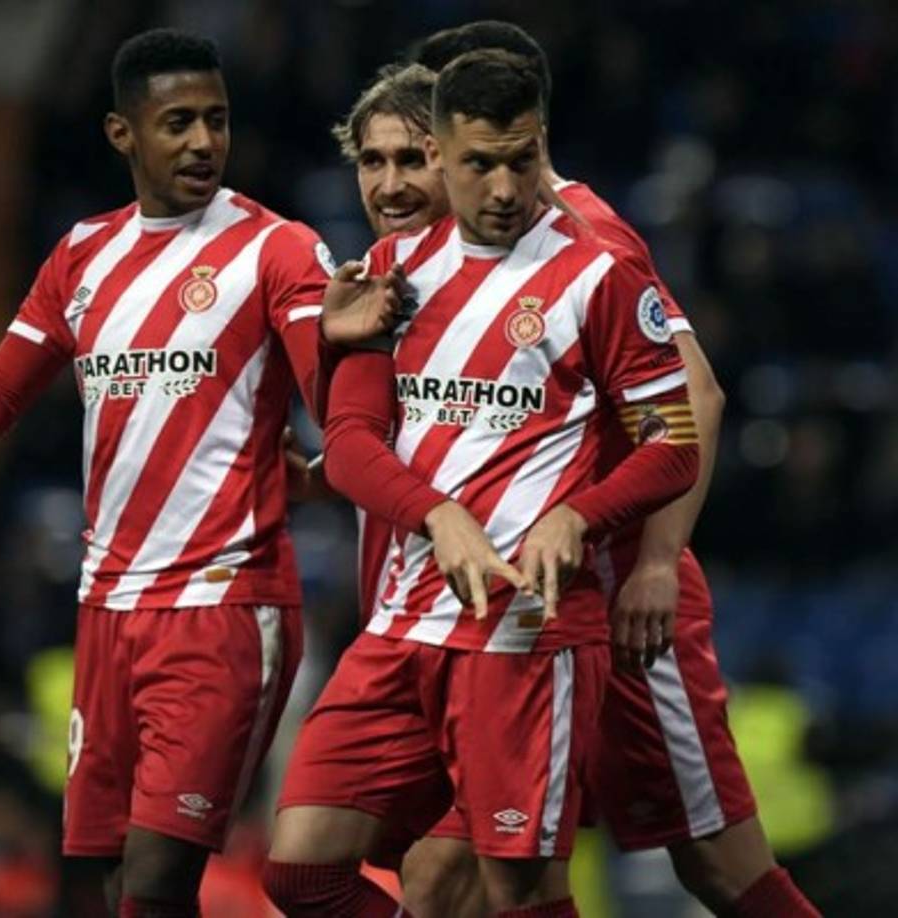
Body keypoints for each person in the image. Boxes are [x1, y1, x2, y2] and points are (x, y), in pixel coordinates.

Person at [0, 28, 382, 918]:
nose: (203, 142)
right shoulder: (81, 256)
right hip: (107, 616)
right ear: (120, 134)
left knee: (154, 883)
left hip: (221, 606)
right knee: (88, 883)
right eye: (176, 122)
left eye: (216, 120)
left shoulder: (277, 249)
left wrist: (342, 345)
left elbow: (333, 402)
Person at [326, 20, 819, 918]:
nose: (414, 162)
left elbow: (694, 400)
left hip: (605, 596)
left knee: (714, 862)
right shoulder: (428, 266)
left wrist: (659, 563)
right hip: (489, 615)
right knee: (453, 876)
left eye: (429, 134)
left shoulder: (588, 241)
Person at [262, 49, 700, 917]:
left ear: (543, 149)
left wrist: (579, 514)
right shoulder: (390, 271)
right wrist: (441, 519)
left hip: (527, 635)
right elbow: (349, 446)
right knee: (301, 871)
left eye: (520, 160)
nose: (502, 188)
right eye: (477, 164)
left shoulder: (597, 275)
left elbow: (675, 441)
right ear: (444, 157)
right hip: (400, 626)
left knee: (519, 890)